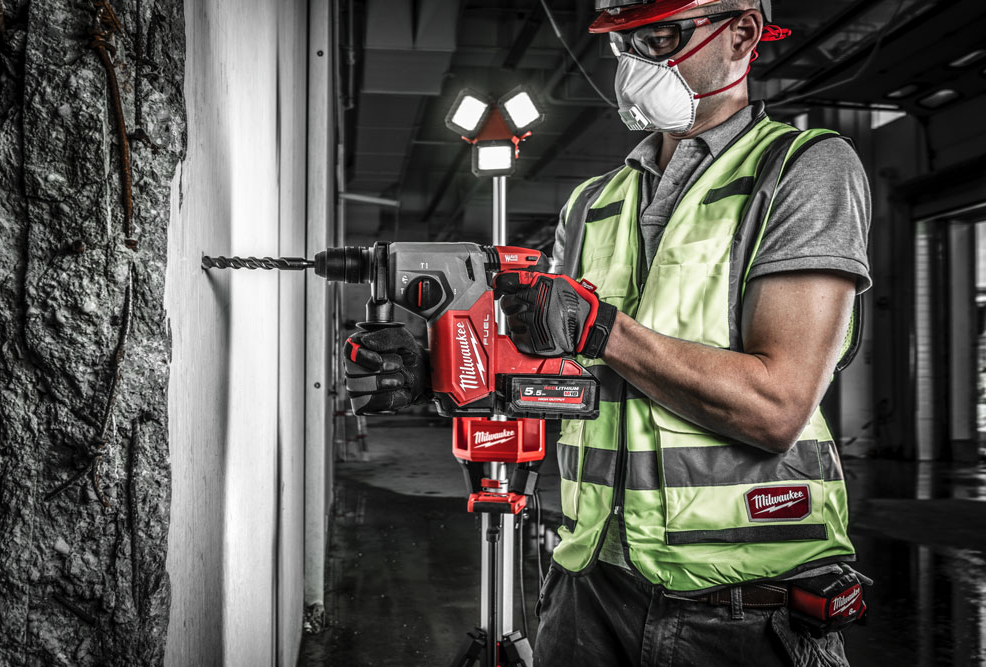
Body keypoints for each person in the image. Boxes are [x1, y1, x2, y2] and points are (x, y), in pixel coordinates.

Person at [343, 0, 872, 664]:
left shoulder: (803, 169)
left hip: (741, 605)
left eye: (661, 37)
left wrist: (603, 330)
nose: (632, 65)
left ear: (741, 34)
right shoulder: (593, 201)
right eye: (623, 45)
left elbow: (777, 406)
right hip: (587, 587)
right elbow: (557, 375)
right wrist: (444, 367)